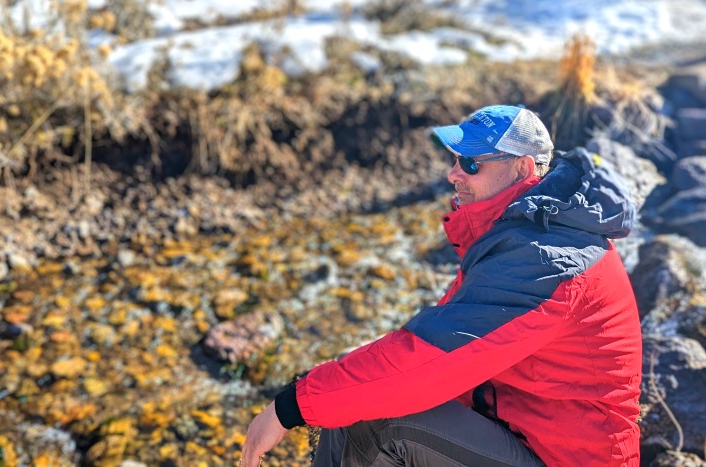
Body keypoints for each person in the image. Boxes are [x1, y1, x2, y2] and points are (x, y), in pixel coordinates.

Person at [241, 104, 642, 466]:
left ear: (522, 168)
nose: (453, 174)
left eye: (471, 164)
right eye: (454, 160)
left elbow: (429, 360)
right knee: (354, 387)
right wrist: (331, 383)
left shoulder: (543, 255)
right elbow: (442, 343)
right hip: (523, 434)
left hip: (563, 459)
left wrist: (289, 408)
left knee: (378, 416)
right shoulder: (523, 234)